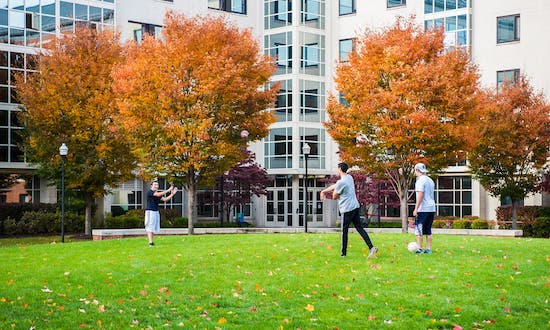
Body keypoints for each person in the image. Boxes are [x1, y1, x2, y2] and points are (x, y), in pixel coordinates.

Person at [321, 162, 378, 259]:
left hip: (347, 209)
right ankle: (371, 247)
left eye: (337, 168)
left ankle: (343, 254)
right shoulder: (349, 178)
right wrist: (323, 191)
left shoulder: (341, 182)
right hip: (355, 207)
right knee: (359, 228)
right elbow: (335, 186)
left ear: (339, 169)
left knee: (344, 231)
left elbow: (335, 196)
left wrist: (334, 194)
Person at [145, 181, 177, 246]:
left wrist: (172, 194)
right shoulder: (150, 192)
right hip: (150, 211)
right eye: (155, 185)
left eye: (157, 185)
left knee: (153, 227)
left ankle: (151, 241)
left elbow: (165, 199)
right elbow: (158, 194)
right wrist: (168, 190)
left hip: (156, 211)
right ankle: (150, 242)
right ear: (151, 186)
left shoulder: (156, 193)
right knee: (150, 226)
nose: (156, 186)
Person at [412, 163, 436, 254]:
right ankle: (428, 249)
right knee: (428, 230)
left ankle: (419, 248)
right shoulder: (430, 180)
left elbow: (421, 194)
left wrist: (416, 208)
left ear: (417, 170)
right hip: (431, 208)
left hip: (423, 208)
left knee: (418, 229)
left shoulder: (420, 181)